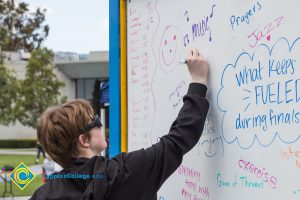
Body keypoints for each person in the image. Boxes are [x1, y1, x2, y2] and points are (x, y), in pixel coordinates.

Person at [30, 48, 210, 200]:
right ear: (84, 139)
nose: (102, 126)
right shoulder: (123, 171)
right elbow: (176, 142)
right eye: (96, 121)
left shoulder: (44, 195)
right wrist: (198, 82)